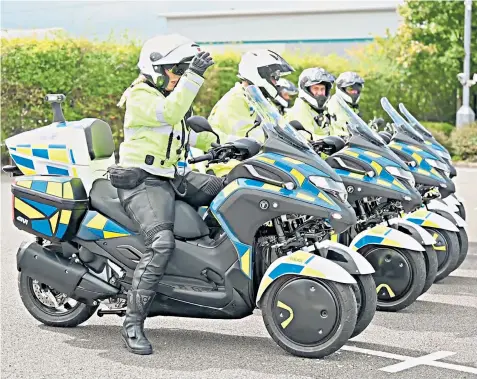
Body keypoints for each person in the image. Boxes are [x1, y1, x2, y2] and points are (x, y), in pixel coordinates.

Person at [115, 34, 225, 355]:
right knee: (160, 244)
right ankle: (132, 323)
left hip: (172, 176)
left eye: (182, 68)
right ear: (156, 70)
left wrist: (218, 148)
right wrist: (194, 77)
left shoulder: (171, 94)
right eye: (175, 68)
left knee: (229, 187)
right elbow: (170, 113)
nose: (179, 74)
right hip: (142, 182)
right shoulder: (141, 96)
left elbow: (181, 137)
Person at [206, 49, 294, 176]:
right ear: (259, 74)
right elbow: (250, 139)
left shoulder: (255, 100)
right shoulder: (235, 100)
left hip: (248, 166)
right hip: (227, 169)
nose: (276, 82)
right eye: (273, 77)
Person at [286, 67, 335, 138]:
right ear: (306, 89)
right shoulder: (301, 108)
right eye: (316, 88)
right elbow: (307, 137)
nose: (320, 92)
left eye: (322, 89)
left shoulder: (322, 109)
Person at [326, 71, 365, 137]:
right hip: (339, 143)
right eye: (350, 89)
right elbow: (342, 124)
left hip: (351, 141)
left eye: (357, 89)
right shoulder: (335, 102)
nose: (354, 92)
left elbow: (358, 126)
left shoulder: (352, 106)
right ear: (342, 88)